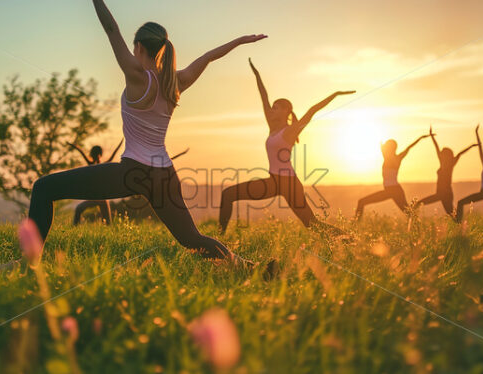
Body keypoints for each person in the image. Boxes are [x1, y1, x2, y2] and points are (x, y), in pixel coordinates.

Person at [28, 0, 266, 263]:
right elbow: (208, 57)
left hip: (133, 172)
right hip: (164, 175)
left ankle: (28, 264)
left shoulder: (136, 76)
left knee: (43, 188)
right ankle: (251, 267)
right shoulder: (176, 81)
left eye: (133, 48)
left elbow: (110, 28)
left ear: (139, 47)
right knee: (191, 238)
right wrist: (240, 41)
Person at [219, 59, 354, 233]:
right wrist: (257, 75)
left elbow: (312, 110)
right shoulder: (272, 127)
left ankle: (350, 240)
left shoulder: (290, 131)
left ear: (285, 111)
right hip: (273, 181)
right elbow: (263, 95)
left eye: (276, 108)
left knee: (311, 224)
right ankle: (218, 240)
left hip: (289, 183)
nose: (271, 110)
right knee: (228, 194)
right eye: (272, 108)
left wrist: (334, 94)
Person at [355, 133, 429, 217]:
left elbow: (409, 147)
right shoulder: (386, 157)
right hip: (390, 190)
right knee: (409, 213)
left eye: (388, 146)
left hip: (394, 190)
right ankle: (355, 226)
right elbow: (382, 147)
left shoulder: (396, 158)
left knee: (408, 212)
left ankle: (354, 226)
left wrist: (421, 137)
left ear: (391, 148)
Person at [414, 126, 477, 216]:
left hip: (445, 193)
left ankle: (461, 226)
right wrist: (432, 136)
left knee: (451, 214)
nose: (441, 153)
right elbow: (436, 148)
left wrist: (471, 146)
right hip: (440, 193)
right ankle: (461, 226)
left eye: (443, 153)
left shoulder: (451, 163)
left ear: (446, 155)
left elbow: (460, 153)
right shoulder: (442, 162)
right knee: (451, 215)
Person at [66, 139, 123, 225]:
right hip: (100, 198)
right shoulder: (97, 164)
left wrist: (120, 143)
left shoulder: (98, 164)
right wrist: (73, 145)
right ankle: (74, 226)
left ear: (94, 154)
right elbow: (81, 151)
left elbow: (81, 151)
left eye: (93, 154)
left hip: (100, 198)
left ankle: (75, 226)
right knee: (107, 222)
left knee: (79, 209)